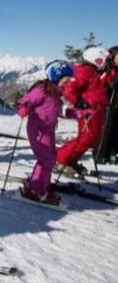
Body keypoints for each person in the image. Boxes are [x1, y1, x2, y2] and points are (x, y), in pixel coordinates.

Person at [16, 61, 74, 205]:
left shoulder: (55, 92)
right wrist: (23, 109)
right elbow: (23, 101)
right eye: (65, 80)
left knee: (50, 158)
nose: (67, 83)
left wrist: (79, 113)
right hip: (38, 130)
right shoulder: (41, 90)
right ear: (55, 77)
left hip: (48, 130)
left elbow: (60, 111)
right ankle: (36, 189)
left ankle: (40, 184)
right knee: (46, 159)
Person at [54, 47, 110, 177]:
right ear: (97, 60)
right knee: (86, 139)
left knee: (91, 139)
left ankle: (70, 160)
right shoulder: (84, 71)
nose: (106, 63)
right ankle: (61, 159)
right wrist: (79, 102)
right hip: (88, 112)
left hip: (95, 112)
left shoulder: (92, 72)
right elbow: (68, 88)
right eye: (105, 60)